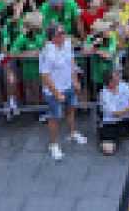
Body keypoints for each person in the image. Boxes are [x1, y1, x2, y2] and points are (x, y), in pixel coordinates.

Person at [42, 28, 87, 160]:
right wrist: (56, 93)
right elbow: (45, 76)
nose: (63, 35)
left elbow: (71, 62)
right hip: (54, 91)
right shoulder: (47, 53)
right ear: (53, 38)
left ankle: (73, 133)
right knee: (55, 117)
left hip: (68, 86)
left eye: (63, 33)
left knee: (71, 110)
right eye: (60, 34)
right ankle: (53, 144)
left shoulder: (67, 43)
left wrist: (75, 80)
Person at [99, 70, 129, 155]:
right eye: (116, 78)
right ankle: (108, 138)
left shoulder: (123, 86)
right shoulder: (104, 94)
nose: (119, 78)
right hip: (111, 123)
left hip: (126, 118)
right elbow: (116, 113)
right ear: (110, 82)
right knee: (108, 150)